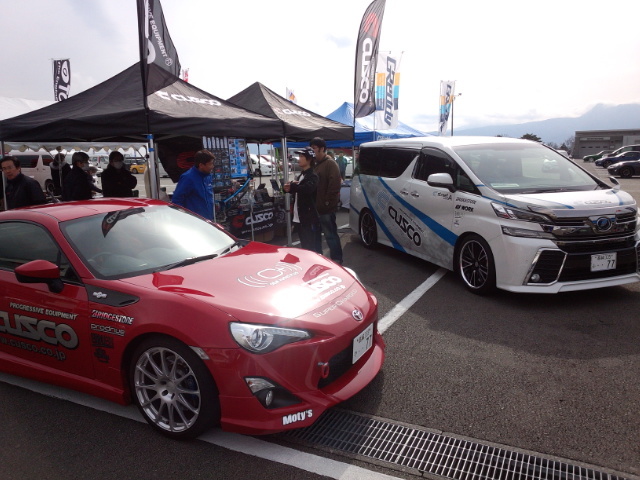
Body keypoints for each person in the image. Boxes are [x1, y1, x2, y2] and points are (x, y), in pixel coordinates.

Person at [310, 137, 343, 264]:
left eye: (314, 148)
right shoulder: (315, 164)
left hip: (326, 208)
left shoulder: (330, 164)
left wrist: (327, 203)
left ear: (322, 149)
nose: (312, 151)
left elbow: (334, 185)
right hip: (315, 207)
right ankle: (319, 260)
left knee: (330, 235)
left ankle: (337, 260)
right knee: (316, 236)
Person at [284, 147, 321, 253]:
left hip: (308, 217)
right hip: (299, 216)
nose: (298, 159)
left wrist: (293, 187)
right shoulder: (301, 175)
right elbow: (299, 190)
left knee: (311, 247)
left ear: (309, 159)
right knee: (304, 246)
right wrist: (288, 188)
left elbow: (307, 189)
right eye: (299, 156)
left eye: (301, 156)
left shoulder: (313, 175)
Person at [171, 149, 215, 220]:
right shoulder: (188, 177)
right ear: (201, 165)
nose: (212, 166)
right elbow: (176, 200)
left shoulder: (208, 176)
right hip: (194, 220)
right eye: (210, 164)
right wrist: (184, 218)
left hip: (208, 219)